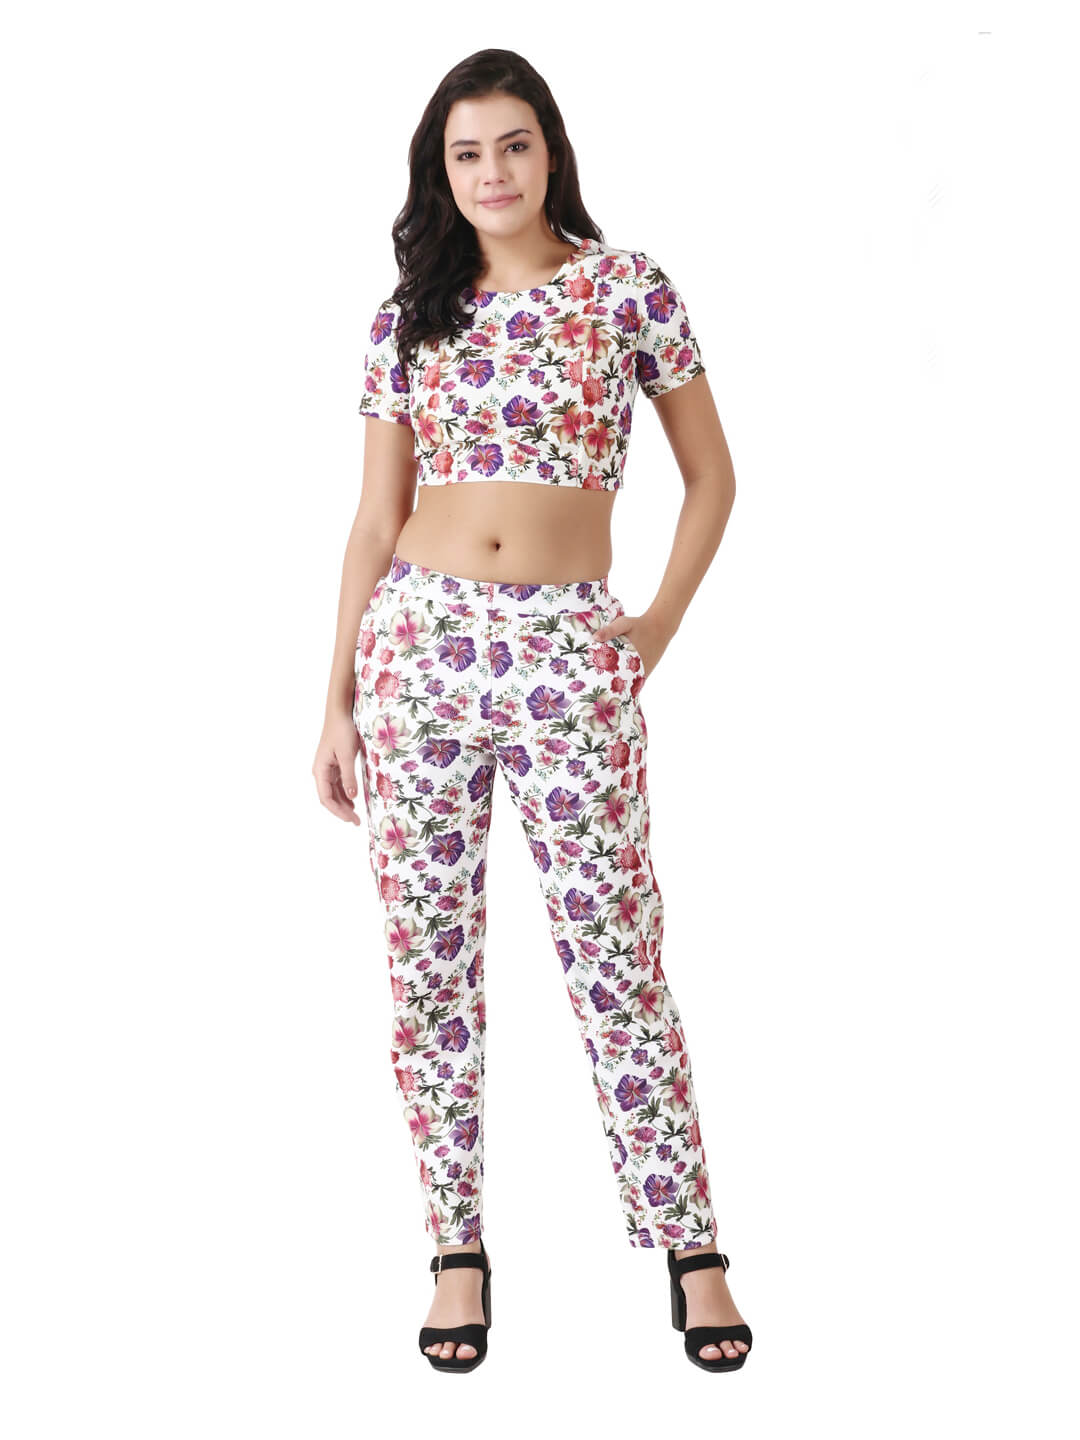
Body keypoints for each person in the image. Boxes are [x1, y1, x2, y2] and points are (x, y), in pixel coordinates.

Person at [313, 48, 753, 1375]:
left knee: (617, 953)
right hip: (420, 652)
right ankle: (456, 1248)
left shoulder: (627, 288)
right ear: (440, 174)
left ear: (549, 149)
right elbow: (377, 517)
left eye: (513, 144)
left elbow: (713, 477)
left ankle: (690, 1242)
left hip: (570, 650)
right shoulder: (410, 316)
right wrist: (334, 698)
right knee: (430, 965)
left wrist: (652, 628)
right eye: (466, 154)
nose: (492, 172)